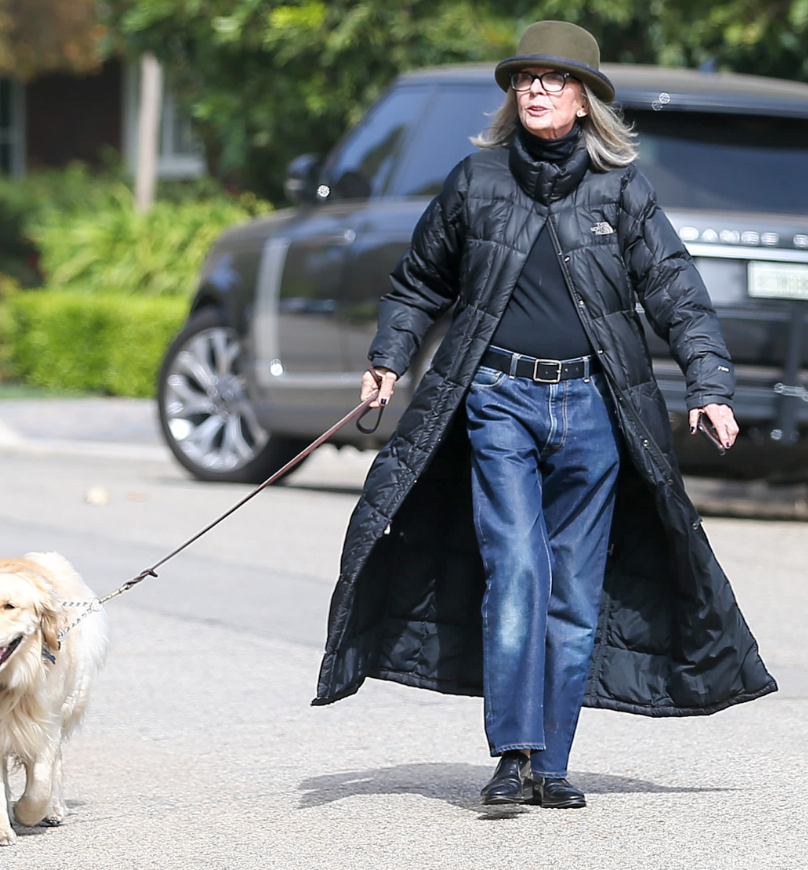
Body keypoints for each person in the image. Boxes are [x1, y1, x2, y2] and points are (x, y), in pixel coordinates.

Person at [313, 20, 777, 809]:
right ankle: (512, 752)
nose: (536, 89)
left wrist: (710, 386)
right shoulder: (476, 181)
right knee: (519, 573)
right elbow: (418, 282)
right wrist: (387, 359)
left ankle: (549, 764)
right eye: (525, 78)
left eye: (555, 80)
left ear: (587, 100)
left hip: (594, 408)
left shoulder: (622, 189)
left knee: (573, 590)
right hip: (497, 398)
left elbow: (677, 293)